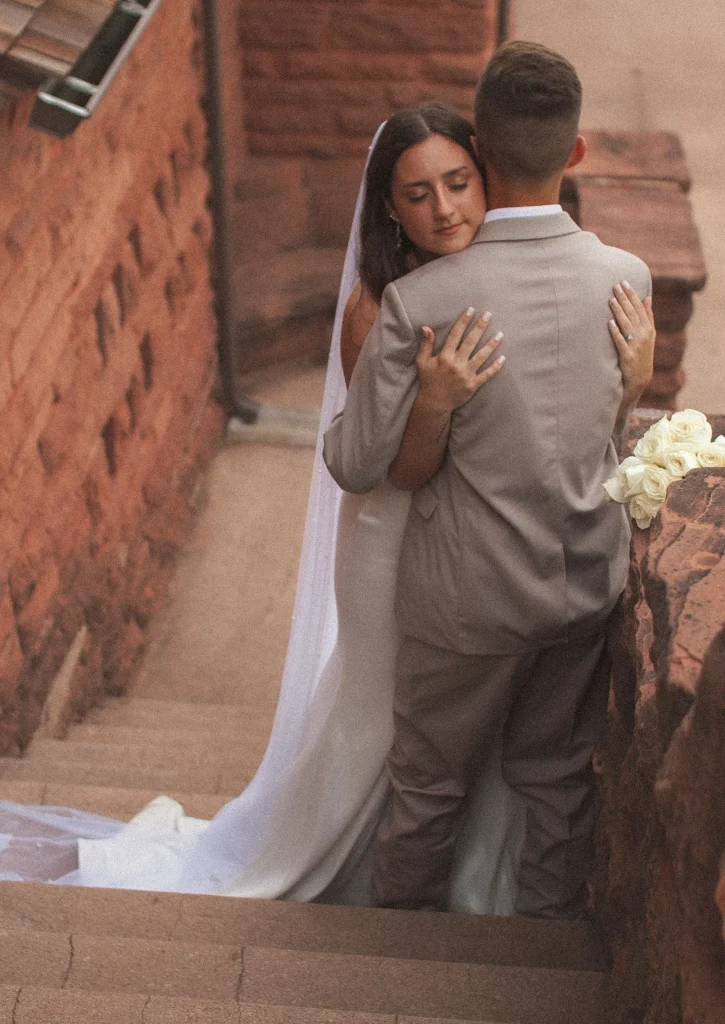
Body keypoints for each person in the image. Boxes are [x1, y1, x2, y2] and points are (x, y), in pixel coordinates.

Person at [0, 98, 654, 910]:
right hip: (397, 529)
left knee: (458, 732)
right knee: (385, 726)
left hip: (473, 541)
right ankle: (357, 871)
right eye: (418, 194)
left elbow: (545, 423)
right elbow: (388, 473)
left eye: (458, 182)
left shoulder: (505, 281)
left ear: (486, 178)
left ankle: (476, 883)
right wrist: (433, 401)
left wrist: (626, 387)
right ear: (389, 205)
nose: (445, 208)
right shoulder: (380, 306)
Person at [323, 43, 654, 919]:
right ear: (575, 152)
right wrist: (637, 385)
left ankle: (402, 957)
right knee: (554, 779)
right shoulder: (627, 280)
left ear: (480, 150)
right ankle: (541, 941)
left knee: (429, 786)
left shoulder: (423, 302)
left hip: (466, 603)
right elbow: (591, 432)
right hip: (585, 587)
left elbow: (354, 465)